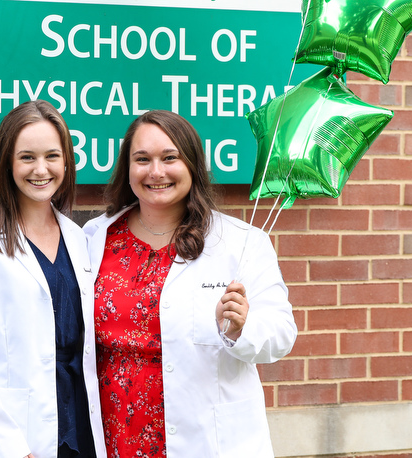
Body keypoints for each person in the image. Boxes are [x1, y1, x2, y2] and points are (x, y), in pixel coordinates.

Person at [83, 110, 298, 458]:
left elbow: (282, 334)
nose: (156, 172)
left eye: (170, 158)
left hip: (207, 441)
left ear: (193, 165)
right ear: (128, 169)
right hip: (115, 437)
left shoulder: (241, 243)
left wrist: (241, 329)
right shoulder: (95, 238)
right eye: (142, 159)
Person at [0, 100, 105, 458]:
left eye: (52, 156)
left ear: (66, 162)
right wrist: (7, 448)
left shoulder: (80, 238)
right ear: (6, 163)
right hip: (12, 438)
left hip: (79, 425)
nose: (41, 169)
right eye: (27, 157)